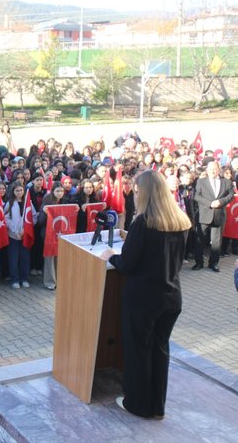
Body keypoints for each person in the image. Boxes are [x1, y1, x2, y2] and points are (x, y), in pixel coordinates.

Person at [101, 170, 191, 420]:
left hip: (143, 300)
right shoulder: (179, 220)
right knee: (160, 350)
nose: (135, 195)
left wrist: (112, 256)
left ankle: (137, 404)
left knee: (138, 351)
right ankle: (157, 406)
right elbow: (164, 252)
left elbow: (128, 263)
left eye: (137, 191)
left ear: (147, 193)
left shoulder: (143, 222)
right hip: (171, 297)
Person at [193, 161, 233, 272]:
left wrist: (221, 201)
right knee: (199, 239)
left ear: (218, 169)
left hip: (219, 215)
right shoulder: (201, 182)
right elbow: (196, 196)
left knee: (216, 242)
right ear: (207, 170)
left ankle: (213, 263)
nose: (213, 171)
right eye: (210, 169)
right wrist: (210, 203)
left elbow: (230, 195)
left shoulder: (226, 182)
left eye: (215, 169)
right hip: (205, 214)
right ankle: (199, 262)